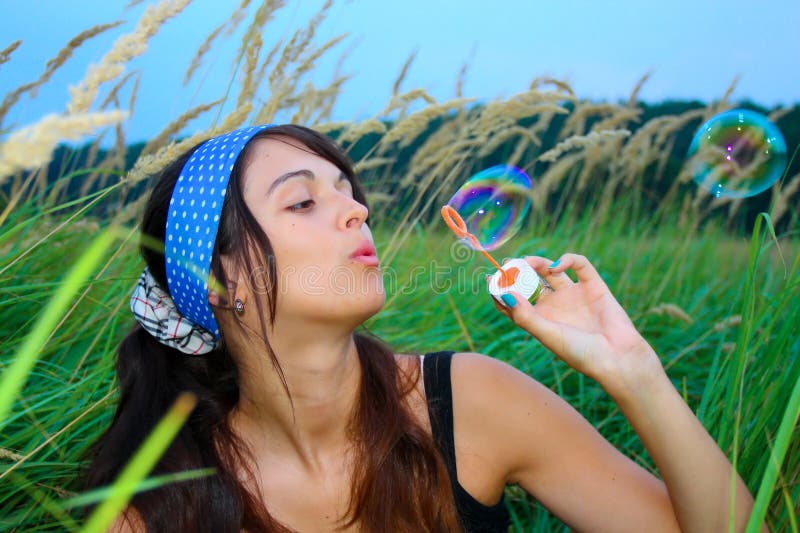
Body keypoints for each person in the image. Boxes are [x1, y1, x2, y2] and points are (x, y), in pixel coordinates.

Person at [84, 124, 761, 532]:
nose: (355, 210)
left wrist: (632, 370)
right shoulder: (157, 508)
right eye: (302, 200)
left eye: (348, 190)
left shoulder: (471, 402)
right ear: (218, 280)